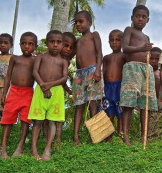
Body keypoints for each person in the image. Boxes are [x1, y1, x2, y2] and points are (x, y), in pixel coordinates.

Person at [120, 5, 158, 146]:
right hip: (132, 68)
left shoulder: (146, 36)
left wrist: (147, 52)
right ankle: (126, 137)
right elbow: (125, 48)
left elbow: (146, 53)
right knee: (129, 103)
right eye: (137, 16)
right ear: (132, 18)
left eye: (143, 17)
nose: (140, 19)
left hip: (145, 70)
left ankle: (144, 136)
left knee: (145, 104)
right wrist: (142, 48)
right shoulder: (129, 30)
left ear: (148, 20)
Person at [28, 30, 68, 161]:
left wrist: (49, 85)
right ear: (46, 43)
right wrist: (43, 86)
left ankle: (47, 149)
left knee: (52, 122)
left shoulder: (63, 62)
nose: (55, 45)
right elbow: (35, 72)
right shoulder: (41, 57)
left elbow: (64, 78)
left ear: (62, 44)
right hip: (41, 89)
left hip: (56, 92)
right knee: (38, 121)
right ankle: (34, 150)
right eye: (52, 42)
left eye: (58, 42)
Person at [0, 32, 38, 159]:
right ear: (20, 45)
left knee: (25, 120)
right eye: (24, 43)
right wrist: (5, 92)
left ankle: (20, 146)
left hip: (28, 92)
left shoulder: (35, 60)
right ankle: (3, 148)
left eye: (30, 44)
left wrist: (40, 56)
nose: (27, 46)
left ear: (35, 46)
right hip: (14, 91)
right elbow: (8, 76)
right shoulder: (14, 58)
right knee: (7, 119)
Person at [72, 11, 103, 146]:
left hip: (92, 71)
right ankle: (76, 137)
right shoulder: (77, 41)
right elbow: (68, 55)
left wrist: (97, 70)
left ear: (89, 22)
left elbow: (99, 53)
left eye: (81, 21)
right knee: (79, 105)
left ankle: (95, 135)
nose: (78, 24)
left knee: (92, 104)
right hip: (79, 74)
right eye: (76, 22)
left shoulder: (94, 35)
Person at [99, 29, 126, 142]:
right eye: (111, 40)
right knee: (108, 112)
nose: (114, 42)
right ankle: (108, 136)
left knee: (120, 113)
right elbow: (103, 72)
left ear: (123, 41)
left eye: (117, 40)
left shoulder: (124, 56)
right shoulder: (106, 58)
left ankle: (120, 135)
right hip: (107, 87)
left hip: (119, 86)